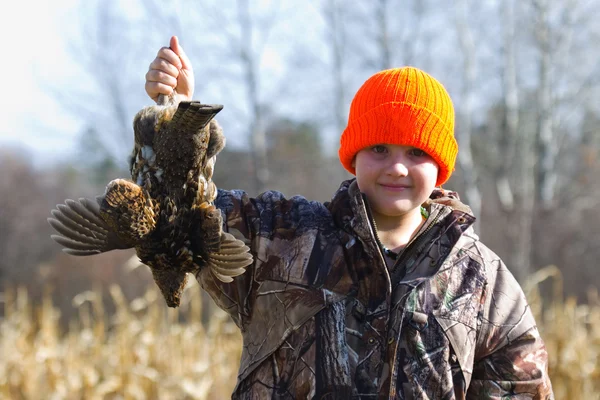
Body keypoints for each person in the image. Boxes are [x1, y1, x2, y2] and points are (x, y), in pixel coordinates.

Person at [144, 36, 554, 399]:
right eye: (379, 149)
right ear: (353, 155)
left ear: (440, 166)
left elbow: (520, 388)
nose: (396, 168)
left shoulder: (480, 279)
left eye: (416, 153)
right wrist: (177, 119)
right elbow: (179, 221)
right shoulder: (280, 239)